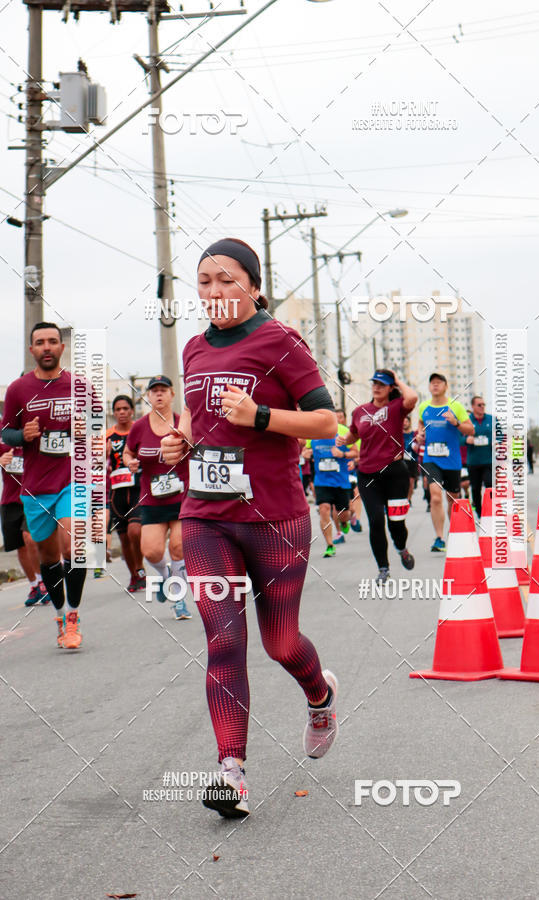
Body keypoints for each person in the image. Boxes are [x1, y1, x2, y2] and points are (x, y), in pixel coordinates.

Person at [161, 237, 339, 820]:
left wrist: (260, 416)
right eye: (204, 281)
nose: (214, 291)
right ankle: (230, 771)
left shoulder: (279, 342)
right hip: (206, 517)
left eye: (227, 280)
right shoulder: (192, 349)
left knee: (279, 642)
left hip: (276, 519)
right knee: (224, 643)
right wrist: (179, 441)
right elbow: (196, 417)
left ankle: (320, 695)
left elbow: (325, 422)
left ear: (254, 286)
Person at [1, 323, 87, 648]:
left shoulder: (79, 385)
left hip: (72, 479)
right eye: (40, 342)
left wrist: (85, 427)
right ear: (32, 350)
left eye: (53, 341)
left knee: (73, 547)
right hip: (36, 487)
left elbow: (97, 423)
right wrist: (22, 435)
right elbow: (5, 433)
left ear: (61, 347)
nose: (47, 346)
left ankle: (75, 615)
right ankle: (61, 615)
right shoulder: (18, 390)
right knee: (49, 557)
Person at [339, 369, 418, 582]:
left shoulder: (396, 408)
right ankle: (383, 568)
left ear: (390, 387)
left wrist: (397, 378)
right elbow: (353, 434)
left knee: (396, 522)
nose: (376, 387)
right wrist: (343, 441)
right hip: (368, 474)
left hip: (395, 474)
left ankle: (401, 548)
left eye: (382, 384)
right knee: (375, 521)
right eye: (374, 383)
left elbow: (412, 398)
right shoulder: (360, 412)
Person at [123, 376, 191, 621]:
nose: (159, 395)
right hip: (152, 499)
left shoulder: (182, 423)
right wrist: (129, 461)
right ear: (148, 396)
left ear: (172, 394)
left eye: (163, 390)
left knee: (178, 547)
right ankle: (165, 577)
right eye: (154, 391)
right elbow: (128, 451)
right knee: (151, 552)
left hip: (182, 497)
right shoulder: (140, 426)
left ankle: (179, 599)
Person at [415, 373, 474, 552]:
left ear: (446, 386)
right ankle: (439, 538)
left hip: (452, 460)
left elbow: (470, 429)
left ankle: (453, 534)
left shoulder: (455, 406)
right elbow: (420, 426)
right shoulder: (424, 407)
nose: (435, 385)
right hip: (431, 459)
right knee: (435, 496)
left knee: (452, 499)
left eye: (439, 383)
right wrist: (419, 435)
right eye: (432, 382)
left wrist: (456, 423)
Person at [0, 442, 47, 606]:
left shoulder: (33, 431)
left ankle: (43, 582)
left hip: (33, 498)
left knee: (30, 538)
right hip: (10, 500)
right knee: (20, 546)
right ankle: (34, 586)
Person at [106, 395, 145, 592]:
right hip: (117, 493)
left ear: (131, 410)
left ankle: (140, 567)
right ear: (114, 412)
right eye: (118, 409)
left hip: (138, 488)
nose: (121, 412)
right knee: (124, 539)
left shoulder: (139, 429)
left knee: (135, 532)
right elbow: (96, 464)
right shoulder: (107, 436)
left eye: (125, 408)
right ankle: (134, 576)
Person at [304, 413, 356, 558]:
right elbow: (305, 450)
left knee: (343, 514)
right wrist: (307, 453)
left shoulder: (343, 433)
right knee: (324, 509)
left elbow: (356, 453)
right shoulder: (313, 434)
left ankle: (344, 522)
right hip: (322, 481)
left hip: (341, 481)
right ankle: (329, 544)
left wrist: (343, 455)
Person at [465, 395, 493, 519]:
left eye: (483, 404)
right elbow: (459, 438)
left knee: (489, 484)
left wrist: (496, 441)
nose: (482, 407)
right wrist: (467, 439)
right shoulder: (467, 420)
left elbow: (500, 435)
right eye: (479, 405)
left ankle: (491, 510)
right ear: (473, 406)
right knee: (475, 489)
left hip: (489, 460)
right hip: (473, 461)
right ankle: (480, 513)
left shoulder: (492, 419)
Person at [402, 417, 418, 504]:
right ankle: (403, 498)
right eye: (403, 421)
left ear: (409, 423)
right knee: (402, 481)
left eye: (406, 421)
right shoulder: (399, 434)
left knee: (411, 482)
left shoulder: (414, 434)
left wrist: (417, 447)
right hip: (401, 460)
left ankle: (408, 499)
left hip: (412, 460)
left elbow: (418, 444)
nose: (404, 423)